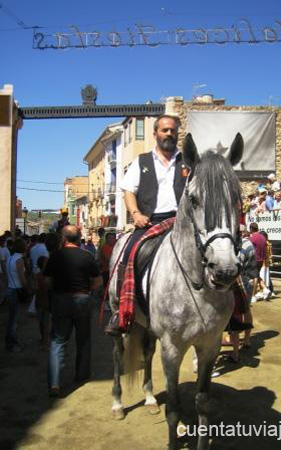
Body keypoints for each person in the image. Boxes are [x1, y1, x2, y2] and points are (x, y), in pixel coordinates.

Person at [105, 114, 186, 335]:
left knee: (216, 253)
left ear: (177, 133)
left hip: (183, 222)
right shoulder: (141, 162)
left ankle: (232, 313)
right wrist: (136, 214)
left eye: (173, 130)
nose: (169, 133)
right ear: (155, 134)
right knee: (127, 252)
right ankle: (120, 310)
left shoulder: (188, 161)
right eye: (164, 130)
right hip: (149, 221)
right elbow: (128, 191)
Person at [44, 225, 102, 397]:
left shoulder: (55, 256)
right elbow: (98, 281)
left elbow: (47, 280)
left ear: (64, 238)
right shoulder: (87, 256)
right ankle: (82, 375)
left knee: (58, 342)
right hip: (83, 299)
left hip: (61, 299)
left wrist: (56, 290)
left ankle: (55, 384)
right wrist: (88, 289)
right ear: (78, 238)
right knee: (83, 340)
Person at [5, 238, 28, 352]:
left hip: (10, 288)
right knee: (14, 320)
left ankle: (12, 340)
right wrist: (27, 288)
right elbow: (22, 279)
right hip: (16, 290)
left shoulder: (10, 257)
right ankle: (11, 343)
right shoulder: (19, 260)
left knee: (12, 318)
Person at [249, 222, 270, 302]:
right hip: (261, 259)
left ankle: (253, 295)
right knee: (256, 275)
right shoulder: (262, 237)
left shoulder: (253, 238)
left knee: (254, 277)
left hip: (255, 259)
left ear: (251, 229)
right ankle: (265, 289)